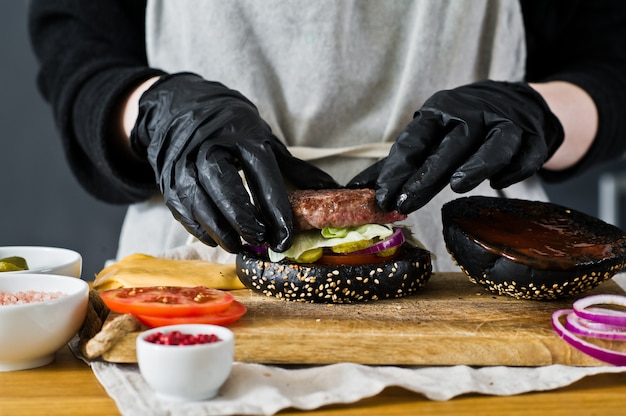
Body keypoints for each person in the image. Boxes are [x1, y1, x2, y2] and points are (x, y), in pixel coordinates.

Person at [28, 0, 626, 272]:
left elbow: (609, 64)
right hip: (209, 250)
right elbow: (79, 56)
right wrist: (158, 114)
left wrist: (537, 114)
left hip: (477, 256)